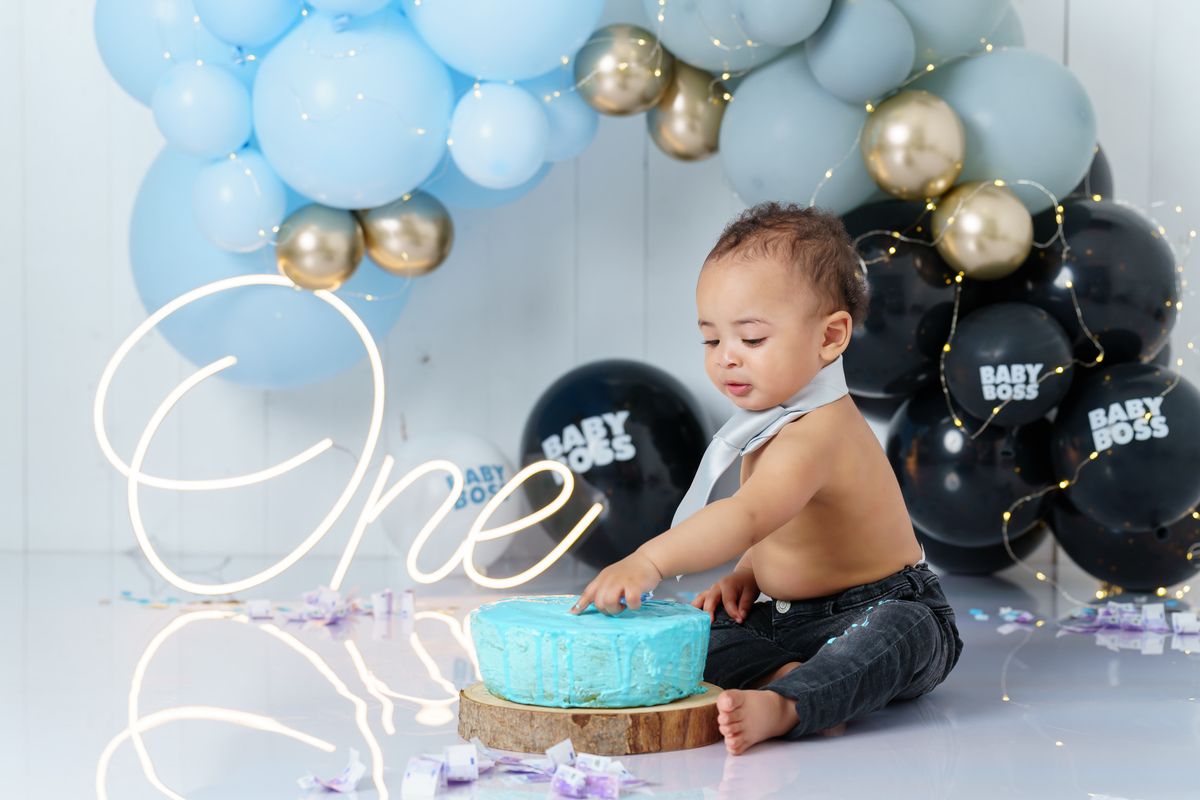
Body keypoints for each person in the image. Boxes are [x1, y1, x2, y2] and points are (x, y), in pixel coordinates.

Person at [571, 201, 962, 754]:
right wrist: (749, 569)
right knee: (695, 631)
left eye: (751, 339)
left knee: (903, 633)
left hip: (879, 605)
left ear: (830, 337)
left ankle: (789, 704)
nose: (726, 358)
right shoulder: (767, 423)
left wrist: (649, 560)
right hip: (787, 620)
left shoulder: (818, 433)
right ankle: (794, 678)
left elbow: (747, 514)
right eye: (712, 340)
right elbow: (782, 520)